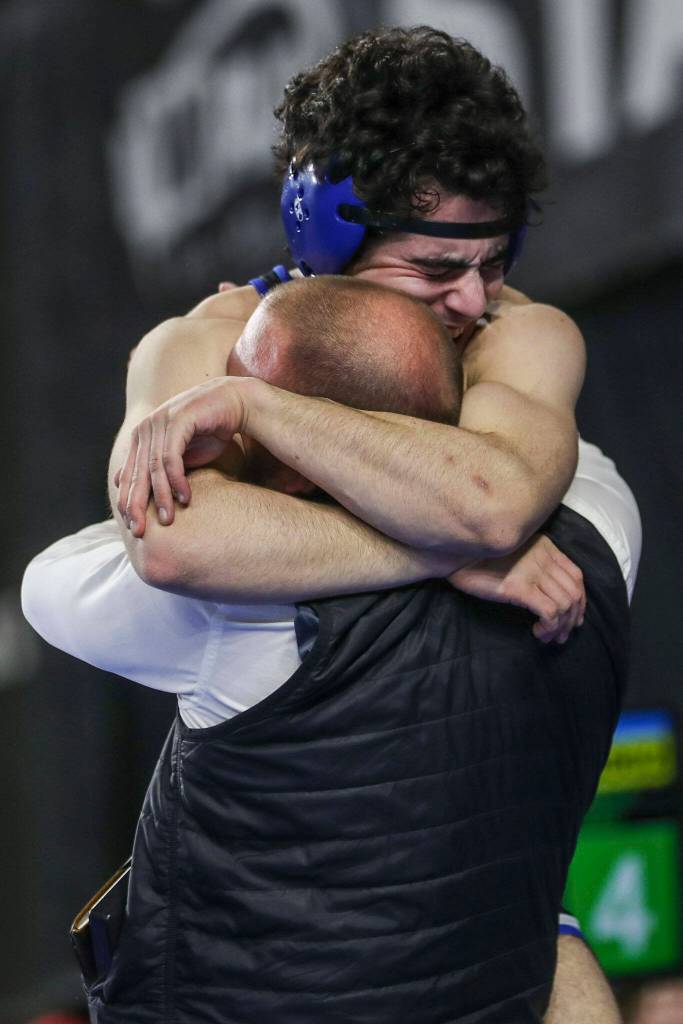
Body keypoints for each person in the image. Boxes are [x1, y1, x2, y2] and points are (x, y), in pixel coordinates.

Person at [107, 27, 639, 1023]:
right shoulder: (198, 346)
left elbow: (487, 503)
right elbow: (170, 538)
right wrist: (442, 556)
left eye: (494, 257)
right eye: (436, 266)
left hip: (478, 828)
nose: (473, 298)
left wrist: (262, 417)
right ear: (325, 239)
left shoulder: (519, 334)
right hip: (296, 845)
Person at [25, 278, 628, 1022]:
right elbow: (515, 450)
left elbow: (78, 572)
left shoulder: (227, 618)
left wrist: (173, 361)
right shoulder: (600, 531)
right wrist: (446, 543)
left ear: (298, 442)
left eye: (237, 385)